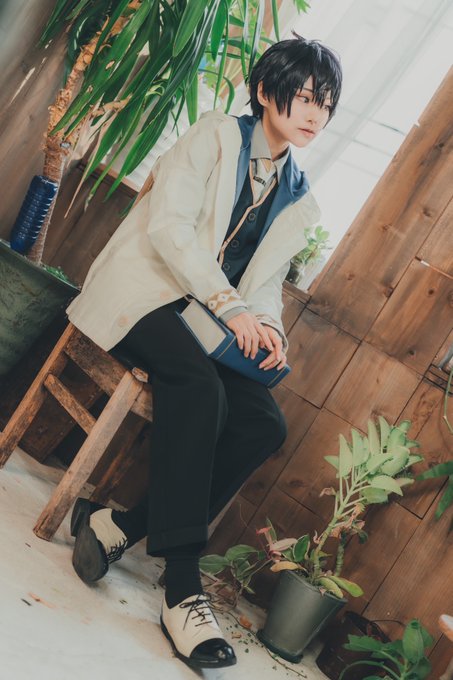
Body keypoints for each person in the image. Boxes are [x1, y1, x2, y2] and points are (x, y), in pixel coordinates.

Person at [65, 33, 342, 669]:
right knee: (200, 388)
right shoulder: (214, 135)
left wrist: (267, 328)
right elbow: (169, 230)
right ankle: (183, 592)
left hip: (208, 322)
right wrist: (231, 307)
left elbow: (265, 285)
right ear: (266, 91)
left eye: (326, 105)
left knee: (264, 422)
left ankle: (121, 526)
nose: (316, 115)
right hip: (146, 292)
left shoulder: (298, 196)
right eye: (304, 97)